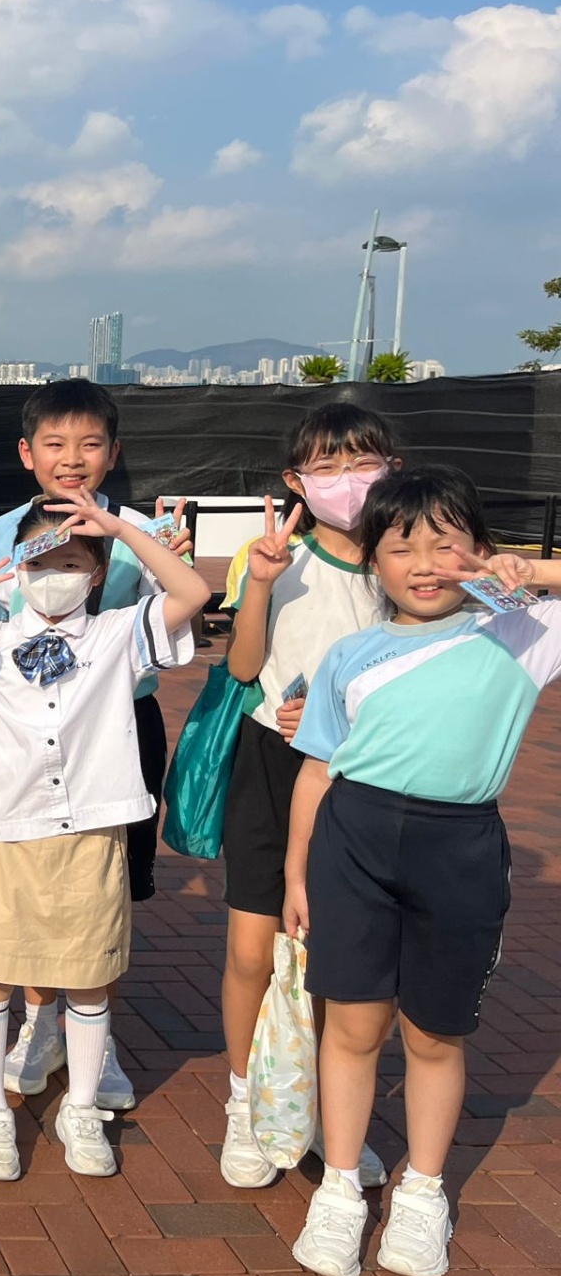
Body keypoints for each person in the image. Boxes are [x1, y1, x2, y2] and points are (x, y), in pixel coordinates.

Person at [285, 467, 561, 1276]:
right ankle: (339, 1190)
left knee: (435, 1034)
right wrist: (297, 875)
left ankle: (423, 1193)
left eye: (447, 544)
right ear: (373, 560)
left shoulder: (522, 633)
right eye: (401, 547)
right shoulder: (350, 654)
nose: (425, 564)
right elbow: (317, 771)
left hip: (461, 849)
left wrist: (534, 570)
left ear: (480, 549)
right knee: (352, 1027)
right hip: (352, 844)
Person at [0, 491, 207, 1180]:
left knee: (90, 981)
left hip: (91, 836)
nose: (53, 577)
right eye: (39, 563)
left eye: (71, 564)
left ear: (96, 575)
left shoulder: (116, 636)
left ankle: (82, 1107)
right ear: (16, 570)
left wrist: (119, 528)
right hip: (7, 833)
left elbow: (191, 593)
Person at [0, 378, 192, 1112]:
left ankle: (95, 1029)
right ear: (27, 453)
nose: (72, 458)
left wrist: (151, 548)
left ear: (112, 453)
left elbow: (176, 610)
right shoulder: (5, 532)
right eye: (54, 443)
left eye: (89, 444)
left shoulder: (140, 530)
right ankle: (40, 1023)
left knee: (104, 891)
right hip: (24, 736)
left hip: (118, 730)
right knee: (32, 888)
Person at [217, 403, 398, 1191]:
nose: (346, 481)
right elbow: (242, 667)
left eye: (363, 462)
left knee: (338, 957)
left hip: (366, 776)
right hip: (273, 762)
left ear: (393, 468)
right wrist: (260, 583)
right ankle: (244, 1102)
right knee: (253, 949)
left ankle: (327, 1109)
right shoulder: (273, 556)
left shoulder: (404, 559)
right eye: (327, 466)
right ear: (296, 480)